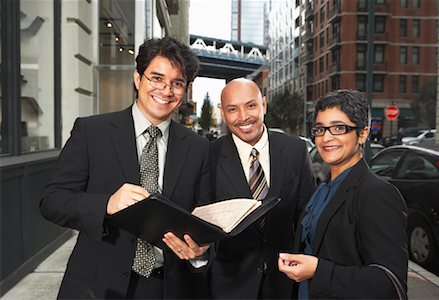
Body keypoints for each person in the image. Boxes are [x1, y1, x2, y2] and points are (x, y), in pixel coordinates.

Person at [40, 37, 212, 299]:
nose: (166, 91)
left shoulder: (198, 148)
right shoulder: (92, 132)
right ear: (137, 78)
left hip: (167, 287)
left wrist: (200, 248)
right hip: (97, 286)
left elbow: (202, 216)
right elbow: (51, 201)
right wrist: (106, 203)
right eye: (156, 78)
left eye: (177, 83)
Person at [278, 90, 408, 299]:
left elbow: (388, 284)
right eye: (320, 129)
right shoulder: (323, 187)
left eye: (339, 128)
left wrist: (318, 270)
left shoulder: (377, 194)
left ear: (363, 134)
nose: (326, 138)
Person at [207, 78, 316, 299]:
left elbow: (307, 217)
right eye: (232, 109)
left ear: (264, 105)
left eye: (251, 105)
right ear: (223, 113)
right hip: (228, 285)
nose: (243, 117)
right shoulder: (208, 156)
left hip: (285, 283)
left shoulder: (295, 150)